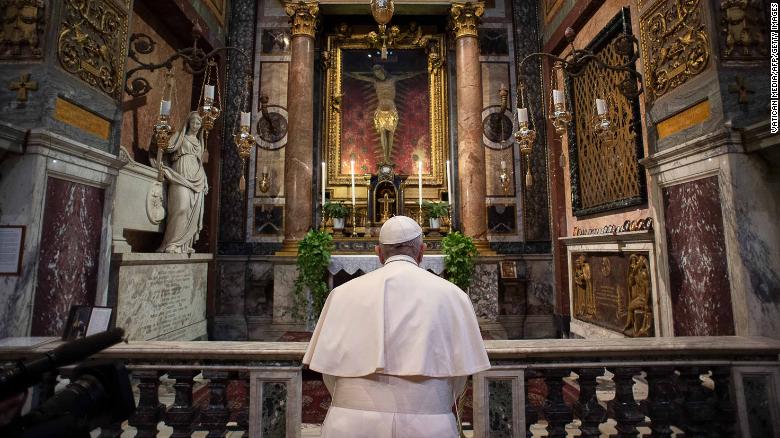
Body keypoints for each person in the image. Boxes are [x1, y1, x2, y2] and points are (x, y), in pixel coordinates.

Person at [303, 215, 490, 437]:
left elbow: (330, 374)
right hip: (428, 423)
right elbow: (460, 377)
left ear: (379, 253)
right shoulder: (453, 295)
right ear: (422, 251)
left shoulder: (341, 294)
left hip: (350, 423)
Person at [346, 65, 425, 163]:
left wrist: (422, 70)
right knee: (382, 133)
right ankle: (385, 158)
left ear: (383, 72)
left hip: (391, 107)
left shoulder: (392, 79)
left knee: (391, 134)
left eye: (380, 73)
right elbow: (360, 77)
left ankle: (388, 158)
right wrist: (346, 72)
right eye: (376, 74)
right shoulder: (375, 82)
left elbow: (408, 75)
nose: (379, 76)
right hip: (381, 107)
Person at [158, 111, 208, 254]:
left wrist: (204, 180)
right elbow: (166, 146)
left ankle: (183, 245)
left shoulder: (199, 142)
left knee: (192, 210)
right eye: (193, 122)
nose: (196, 125)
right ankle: (171, 243)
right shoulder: (180, 136)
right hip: (180, 173)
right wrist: (160, 138)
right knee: (181, 207)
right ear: (188, 123)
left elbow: (200, 163)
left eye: (198, 123)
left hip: (196, 177)